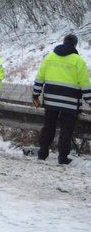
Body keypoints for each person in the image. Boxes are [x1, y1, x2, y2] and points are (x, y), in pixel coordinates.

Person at [31, 33, 91, 165]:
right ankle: (62, 157)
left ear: (63, 42)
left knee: (49, 126)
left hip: (51, 100)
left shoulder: (50, 57)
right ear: (75, 45)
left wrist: (35, 95)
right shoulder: (78, 60)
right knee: (66, 129)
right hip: (70, 103)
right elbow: (85, 84)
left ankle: (42, 153)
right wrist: (89, 100)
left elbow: (39, 78)